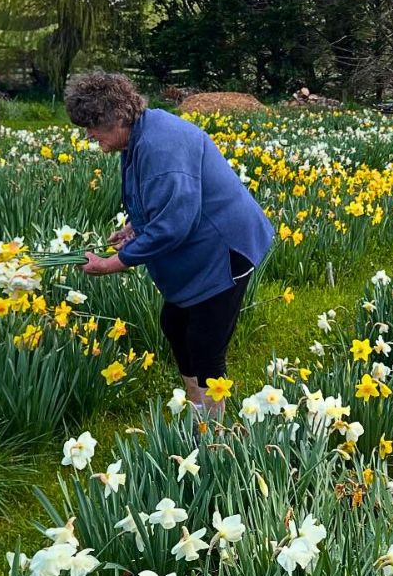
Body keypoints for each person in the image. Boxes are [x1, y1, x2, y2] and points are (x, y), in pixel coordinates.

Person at [64, 72, 274, 418]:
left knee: (205, 342)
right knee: (175, 325)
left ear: (116, 118)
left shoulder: (161, 147)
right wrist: (135, 226)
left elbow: (172, 226)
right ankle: (196, 412)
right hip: (202, 241)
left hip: (226, 248)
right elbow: (161, 201)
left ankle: (212, 436)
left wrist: (111, 264)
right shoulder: (139, 134)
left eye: (92, 126)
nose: (88, 135)